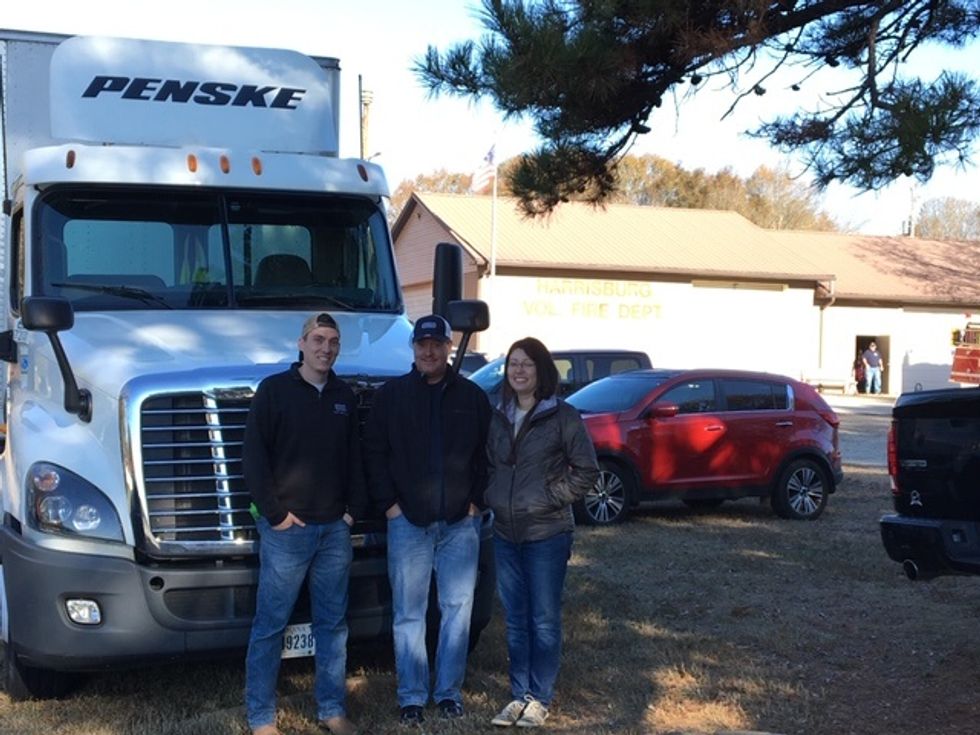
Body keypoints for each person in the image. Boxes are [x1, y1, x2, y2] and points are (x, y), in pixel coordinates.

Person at [364, 314, 492, 726]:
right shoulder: (391, 396)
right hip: (408, 523)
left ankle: (449, 693)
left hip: (460, 523)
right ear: (414, 348)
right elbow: (374, 454)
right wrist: (389, 505)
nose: (430, 351)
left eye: (437, 344)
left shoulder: (472, 397)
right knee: (408, 613)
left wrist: (476, 502)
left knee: (458, 610)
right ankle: (412, 697)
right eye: (422, 345)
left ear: (450, 347)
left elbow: (487, 455)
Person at [243, 312, 365, 735]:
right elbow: (254, 459)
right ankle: (261, 719)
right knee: (270, 625)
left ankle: (331, 711)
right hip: (287, 532)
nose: (325, 348)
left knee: (332, 626)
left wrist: (351, 512)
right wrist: (275, 514)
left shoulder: (344, 396)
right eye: (317, 339)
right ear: (301, 343)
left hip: (334, 530)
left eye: (332, 341)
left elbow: (355, 459)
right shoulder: (274, 391)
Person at [484, 337, 599, 729]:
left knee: (544, 619)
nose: (518, 371)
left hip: (546, 533)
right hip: (505, 531)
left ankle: (540, 696)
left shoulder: (562, 416)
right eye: (513, 364)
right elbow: (487, 463)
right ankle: (518, 695)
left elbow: (586, 470)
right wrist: (491, 494)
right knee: (515, 619)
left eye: (527, 364)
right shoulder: (497, 413)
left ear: (540, 371)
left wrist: (551, 497)